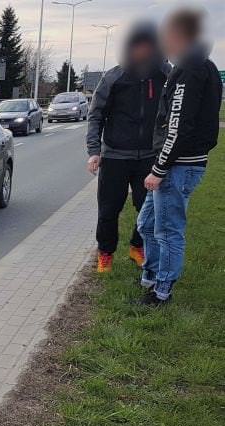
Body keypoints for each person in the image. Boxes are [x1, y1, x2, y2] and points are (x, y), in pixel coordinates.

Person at [137, 8, 221, 305]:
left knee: (167, 230)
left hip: (177, 166)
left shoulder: (190, 69)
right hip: (176, 163)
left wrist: (159, 169)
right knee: (145, 224)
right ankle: (150, 275)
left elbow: (178, 124)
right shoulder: (199, 65)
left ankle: (162, 292)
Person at [86, 21, 170, 273]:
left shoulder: (165, 74)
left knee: (148, 208)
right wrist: (94, 151)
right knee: (109, 209)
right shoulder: (114, 77)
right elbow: (96, 115)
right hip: (115, 156)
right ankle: (105, 253)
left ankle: (137, 246)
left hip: (149, 156)